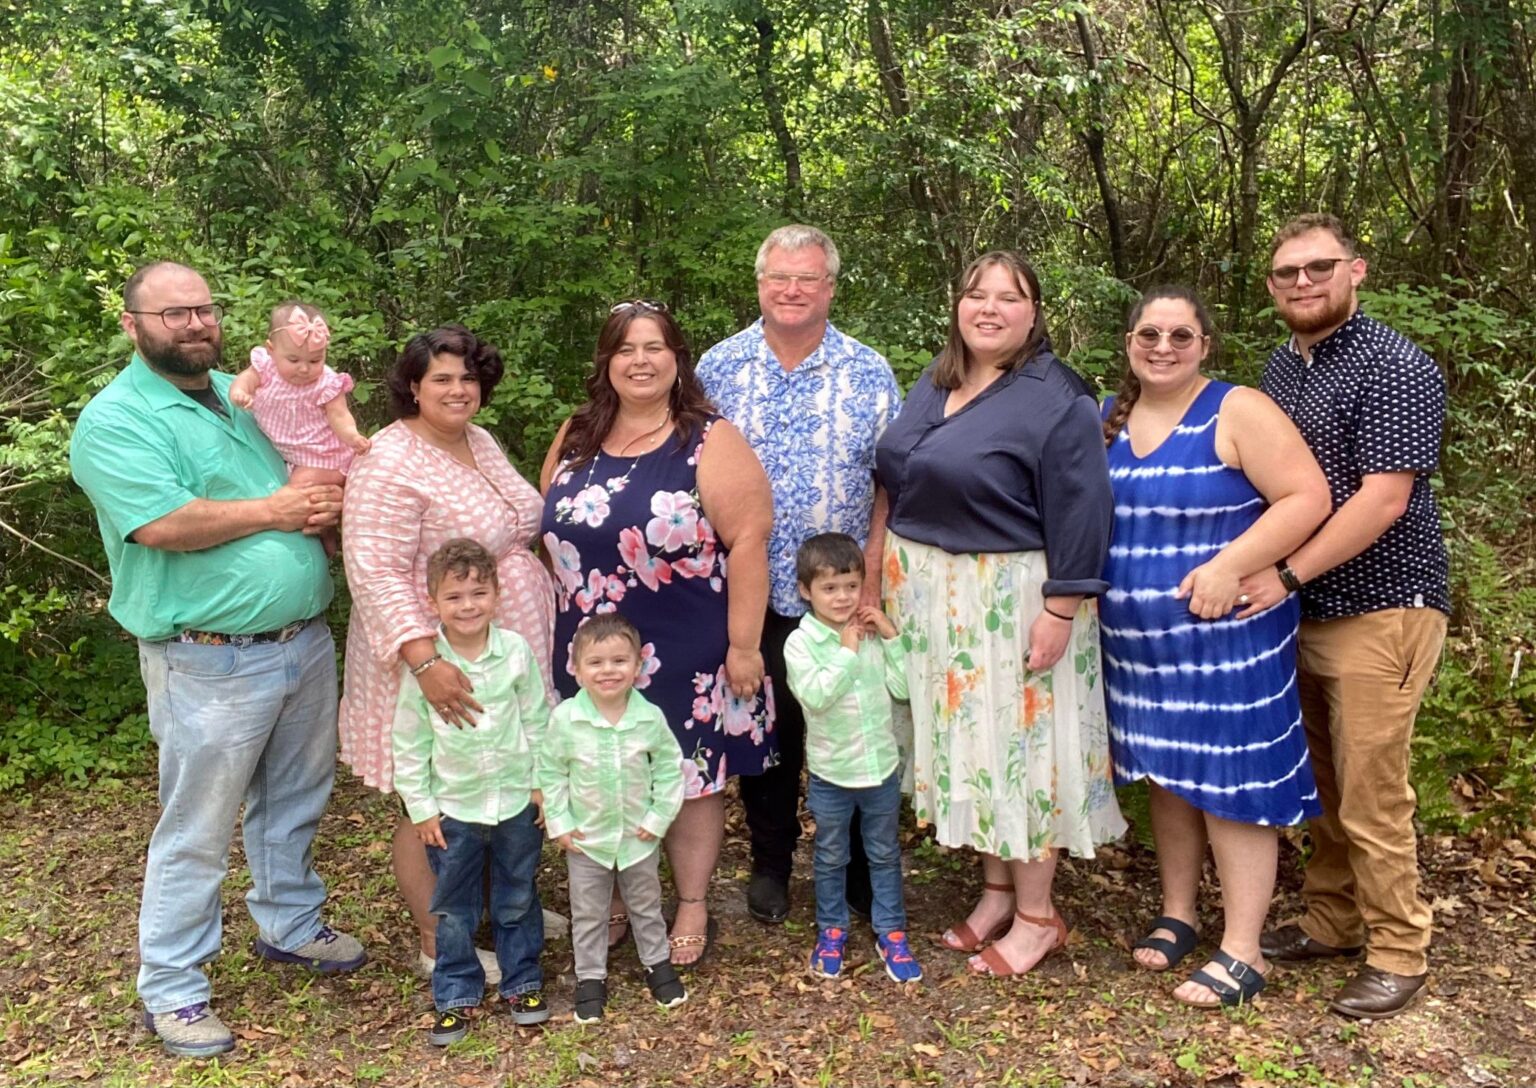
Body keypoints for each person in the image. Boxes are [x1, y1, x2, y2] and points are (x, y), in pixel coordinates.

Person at [70, 261, 365, 1059]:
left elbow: (313, 464)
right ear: (132, 325)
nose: (194, 324)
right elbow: (162, 522)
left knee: (296, 798)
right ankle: (173, 987)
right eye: (173, 314)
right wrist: (277, 510)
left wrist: (328, 504)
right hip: (207, 658)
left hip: (302, 640)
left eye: (203, 309)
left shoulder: (250, 392)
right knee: (197, 826)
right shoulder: (117, 419)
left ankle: (292, 926)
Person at [875, 250, 1125, 977]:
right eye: (976, 294)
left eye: (1008, 298)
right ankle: (995, 892)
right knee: (972, 749)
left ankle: (1040, 915)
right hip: (934, 594)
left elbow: (1084, 507)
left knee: (1023, 752)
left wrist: (1062, 605)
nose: (989, 308)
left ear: (1034, 313)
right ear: (957, 305)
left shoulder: (1058, 397)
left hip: (1014, 595)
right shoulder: (938, 380)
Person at [1098, 286, 1332, 1008]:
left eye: (1179, 335)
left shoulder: (1238, 409)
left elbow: (1307, 497)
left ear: (1205, 344)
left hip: (1226, 638)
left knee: (1230, 785)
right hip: (1138, 650)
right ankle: (1179, 914)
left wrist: (1232, 565)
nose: (1162, 346)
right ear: (1130, 342)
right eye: (1148, 334)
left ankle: (1242, 948)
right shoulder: (1114, 416)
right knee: (1169, 778)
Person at [1242, 214, 1450, 1020]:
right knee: (1323, 785)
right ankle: (1331, 920)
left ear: (1355, 270)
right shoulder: (1280, 370)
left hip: (1385, 606)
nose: (1301, 282)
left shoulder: (1395, 365)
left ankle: (1401, 949)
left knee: (1372, 790)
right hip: (1305, 613)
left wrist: (1285, 571)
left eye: (1317, 268)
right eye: (1286, 272)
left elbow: (1384, 497)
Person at [539, 300, 773, 966]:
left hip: (686, 648)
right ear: (606, 362)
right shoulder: (577, 434)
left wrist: (745, 645)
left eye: (655, 347)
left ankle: (693, 902)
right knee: (596, 771)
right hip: (588, 648)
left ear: (677, 358)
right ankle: (611, 900)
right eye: (625, 349)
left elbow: (750, 541)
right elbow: (547, 525)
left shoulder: (708, 438)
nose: (640, 361)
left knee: (689, 776)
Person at [697, 224, 901, 928]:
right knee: (767, 733)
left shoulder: (869, 371)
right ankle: (773, 863)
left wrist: (871, 574)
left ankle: (858, 871)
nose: (792, 290)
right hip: (747, 592)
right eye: (779, 277)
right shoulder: (717, 369)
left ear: (830, 287)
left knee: (850, 725)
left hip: (837, 595)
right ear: (759, 283)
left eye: (807, 278)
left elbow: (888, 485)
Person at [341, 324, 557, 984]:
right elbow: (374, 570)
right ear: (413, 386)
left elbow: (518, 524)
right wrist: (427, 663)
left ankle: (500, 909)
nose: (458, 389)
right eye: (442, 378)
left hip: (502, 649)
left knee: (497, 779)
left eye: (468, 378)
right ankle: (440, 942)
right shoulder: (390, 460)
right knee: (431, 798)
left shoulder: (478, 441)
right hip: (435, 656)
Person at [393, 539, 553, 1045]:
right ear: (432, 602)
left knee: (517, 894)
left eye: (478, 593)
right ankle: (455, 992)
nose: (468, 606)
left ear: (497, 595)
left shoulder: (515, 653)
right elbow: (410, 742)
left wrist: (542, 785)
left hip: (513, 803)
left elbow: (537, 720)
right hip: (454, 807)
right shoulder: (426, 668)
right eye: (455, 597)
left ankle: (522, 981)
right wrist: (421, 808)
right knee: (454, 906)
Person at [537, 613, 689, 1023]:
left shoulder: (649, 717)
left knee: (646, 904)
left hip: (638, 837)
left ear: (638, 666)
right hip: (588, 838)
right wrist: (561, 821)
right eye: (596, 662)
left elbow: (670, 770)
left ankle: (657, 964)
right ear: (577, 668)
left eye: (619, 661)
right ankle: (590, 977)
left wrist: (658, 818)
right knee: (588, 912)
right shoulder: (566, 719)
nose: (608, 671)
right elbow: (550, 773)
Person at [784, 533, 921, 984]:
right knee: (830, 854)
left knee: (883, 853)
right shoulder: (801, 645)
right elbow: (817, 697)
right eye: (829, 588)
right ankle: (831, 929)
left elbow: (903, 690)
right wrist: (847, 651)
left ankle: (892, 930)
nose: (842, 597)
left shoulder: (873, 635)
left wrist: (891, 637)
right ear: (806, 591)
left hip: (879, 769)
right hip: (832, 774)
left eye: (851, 586)